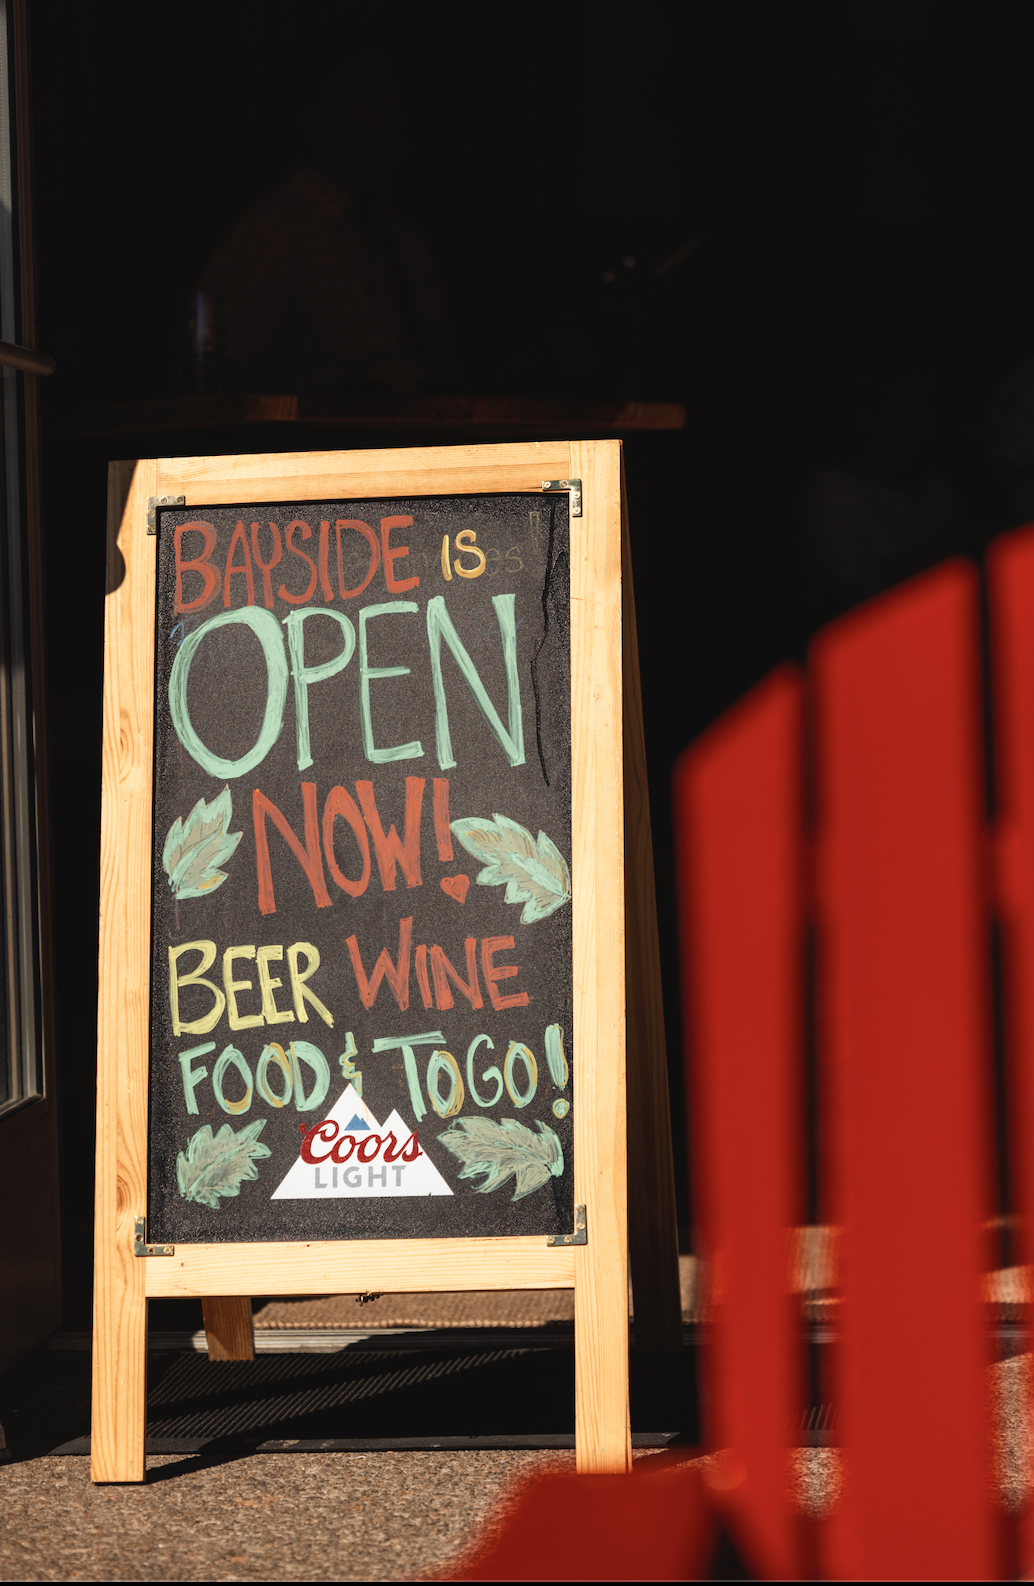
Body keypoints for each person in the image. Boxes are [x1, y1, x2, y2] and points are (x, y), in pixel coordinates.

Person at [201, 56, 453, 395]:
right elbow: (213, 391)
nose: (394, 121)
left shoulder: (401, 242)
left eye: (394, 103)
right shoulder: (274, 236)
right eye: (374, 102)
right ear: (318, 121)